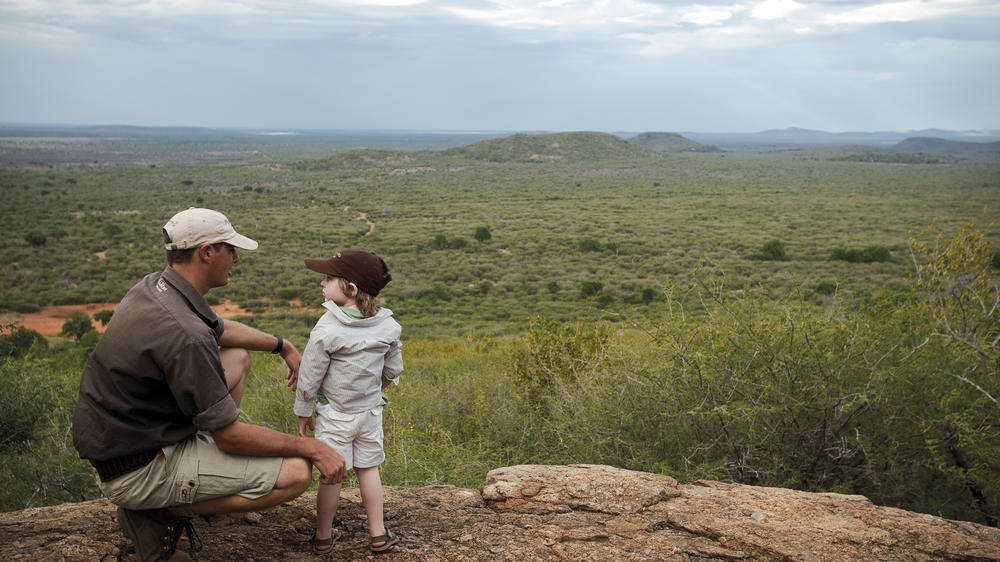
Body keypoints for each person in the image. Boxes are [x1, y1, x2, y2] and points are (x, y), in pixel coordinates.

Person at [71, 208, 346, 561]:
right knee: (296, 472)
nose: (235, 258)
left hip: (126, 442)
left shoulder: (156, 287)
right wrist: (313, 448)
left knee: (237, 356)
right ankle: (161, 512)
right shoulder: (187, 335)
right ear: (206, 252)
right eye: (230, 249)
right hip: (136, 469)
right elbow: (228, 435)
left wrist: (282, 345)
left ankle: (182, 485)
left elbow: (218, 328)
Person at [295, 249, 403, 554]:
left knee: (332, 476)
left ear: (350, 290)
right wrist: (374, 390)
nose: (323, 284)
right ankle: (378, 534)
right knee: (369, 470)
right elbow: (393, 369)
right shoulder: (388, 327)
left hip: (335, 416)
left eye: (329, 279)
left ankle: (323, 537)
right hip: (370, 413)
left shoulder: (327, 328)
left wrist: (303, 412)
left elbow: (309, 377)